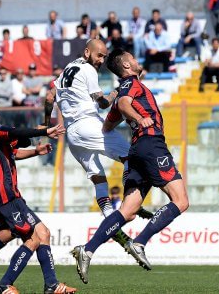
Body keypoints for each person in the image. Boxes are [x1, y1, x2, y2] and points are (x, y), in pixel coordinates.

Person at [71, 48, 189, 282]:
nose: (137, 61)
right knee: (181, 201)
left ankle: (88, 249)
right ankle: (140, 242)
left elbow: (107, 125)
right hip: (151, 144)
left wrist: (128, 118)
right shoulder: (130, 85)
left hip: (136, 151)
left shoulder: (128, 88)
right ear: (126, 66)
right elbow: (124, 103)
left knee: (128, 210)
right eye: (133, 59)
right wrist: (138, 118)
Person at [44, 39, 153, 264]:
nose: (102, 60)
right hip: (88, 124)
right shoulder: (87, 69)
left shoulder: (67, 69)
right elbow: (103, 104)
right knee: (131, 156)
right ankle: (128, 206)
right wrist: (117, 91)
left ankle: (115, 229)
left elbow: (48, 97)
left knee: (99, 180)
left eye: (104, 56)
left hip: (72, 135)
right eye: (99, 55)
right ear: (87, 52)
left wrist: (47, 124)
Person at [0, 95, 75, 294]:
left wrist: (35, 151)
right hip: (0, 195)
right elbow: (18, 132)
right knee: (29, 236)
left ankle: (51, 285)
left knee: (41, 233)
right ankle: (1, 281)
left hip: (12, 194)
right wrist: (45, 130)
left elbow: (13, 151)